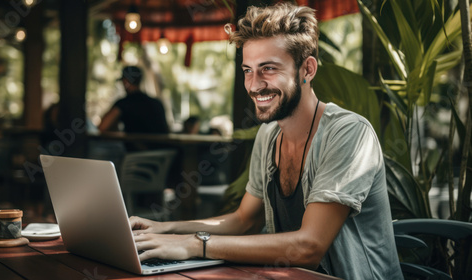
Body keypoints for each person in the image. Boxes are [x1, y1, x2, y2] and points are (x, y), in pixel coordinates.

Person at [129, 3, 403, 279]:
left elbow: (309, 246)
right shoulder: (269, 135)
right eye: (248, 70)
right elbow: (243, 220)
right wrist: (164, 230)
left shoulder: (348, 133)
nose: (254, 84)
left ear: (307, 69)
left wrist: (194, 246)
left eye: (268, 69)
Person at [99, 66, 169, 135]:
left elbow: (102, 127)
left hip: (139, 146)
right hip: (165, 145)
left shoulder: (124, 104)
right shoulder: (156, 103)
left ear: (125, 81)